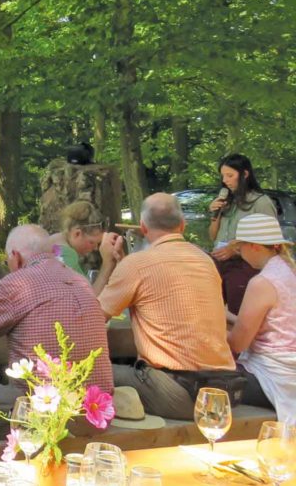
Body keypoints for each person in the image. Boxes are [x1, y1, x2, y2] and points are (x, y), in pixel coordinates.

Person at [96, 193, 239, 420]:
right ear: (182, 225)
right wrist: (124, 264)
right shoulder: (205, 261)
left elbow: (92, 321)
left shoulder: (137, 265)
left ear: (143, 227)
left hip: (176, 392)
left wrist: (107, 264)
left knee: (89, 371)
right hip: (225, 391)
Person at [0, 224, 113, 437]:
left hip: (42, 415)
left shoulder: (17, 282)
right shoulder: (80, 280)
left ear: (15, 257)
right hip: (93, 416)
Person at [226, 214, 296, 422]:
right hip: (289, 371)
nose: (239, 253)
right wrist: (228, 316)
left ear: (254, 246)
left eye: (240, 247)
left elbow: (238, 343)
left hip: (274, 376)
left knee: (207, 383)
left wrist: (211, 324)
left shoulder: (263, 282)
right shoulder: (289, 271)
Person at [208, 154, 278, 317]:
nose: (225, 180)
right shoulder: (227, 201)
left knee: (237, 313)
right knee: (211, 310)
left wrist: (236, 249)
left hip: (244, 265)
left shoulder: (261, 202)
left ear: (245, 174)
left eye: (230, 175)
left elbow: (270, 241)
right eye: (223, 176)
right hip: (219, 262)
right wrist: (215, 214)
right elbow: (213, 236)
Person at [50, 201, 123, 276]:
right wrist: (108, 264)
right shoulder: (67, 256)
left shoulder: (53, 242)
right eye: (91, 242)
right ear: (77, 234)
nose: (95, 248)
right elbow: (86, 288)